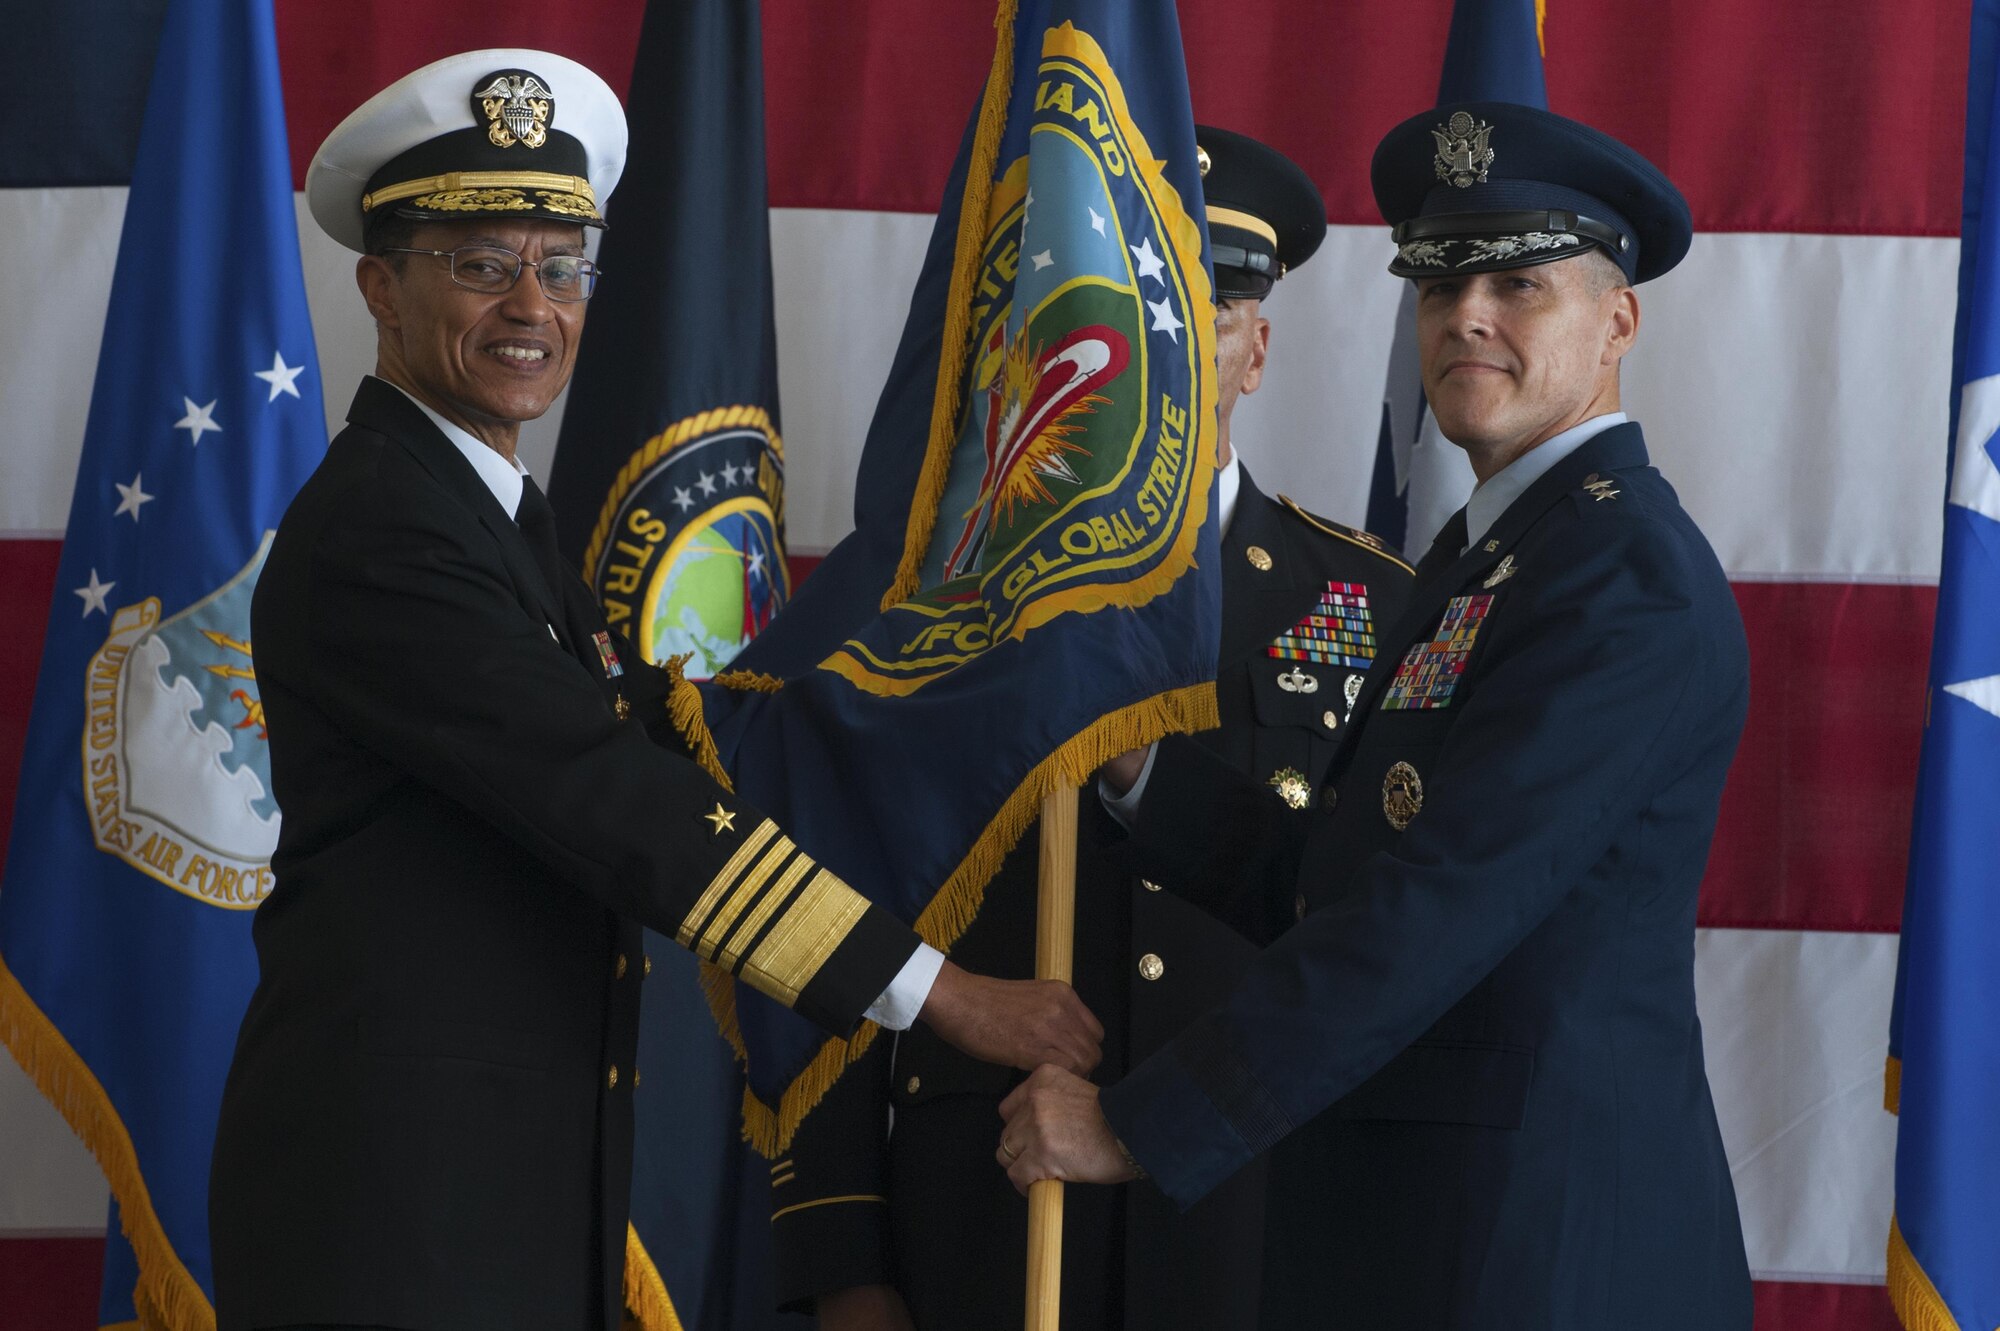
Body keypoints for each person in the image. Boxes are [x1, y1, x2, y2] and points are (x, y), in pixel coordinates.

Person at [207, 51, 1100, 1331]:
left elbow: (673, 751)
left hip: (491, 1205)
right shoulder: (383, 532)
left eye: (561, 264)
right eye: (478, 262)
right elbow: (618, 798)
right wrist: (943, 993)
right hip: (396, 1223)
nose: (532, 303)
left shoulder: (494, 518)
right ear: (379, 286)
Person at [998, 102, 1756, 1330]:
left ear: (1616, 321)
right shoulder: (1492, 554)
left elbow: (1436, 909)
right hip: (1428, 1235)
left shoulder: (1622, 579)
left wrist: (1142, 1121)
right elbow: (1348, 871)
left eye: (1519, 283)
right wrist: (1139, 770)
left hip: (1537, 1255)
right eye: (1438, 284)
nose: (1465, 315)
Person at [771, 128, 1414, 1331]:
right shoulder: (935, 598)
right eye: (1133, 296)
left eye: (1204, 309)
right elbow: (838, 889)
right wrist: (841, 1256)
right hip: (973, 1213)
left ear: (1253, 349)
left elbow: (1380, 918)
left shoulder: (1369, 601)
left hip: (1252, 1219)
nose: (1163, 349)